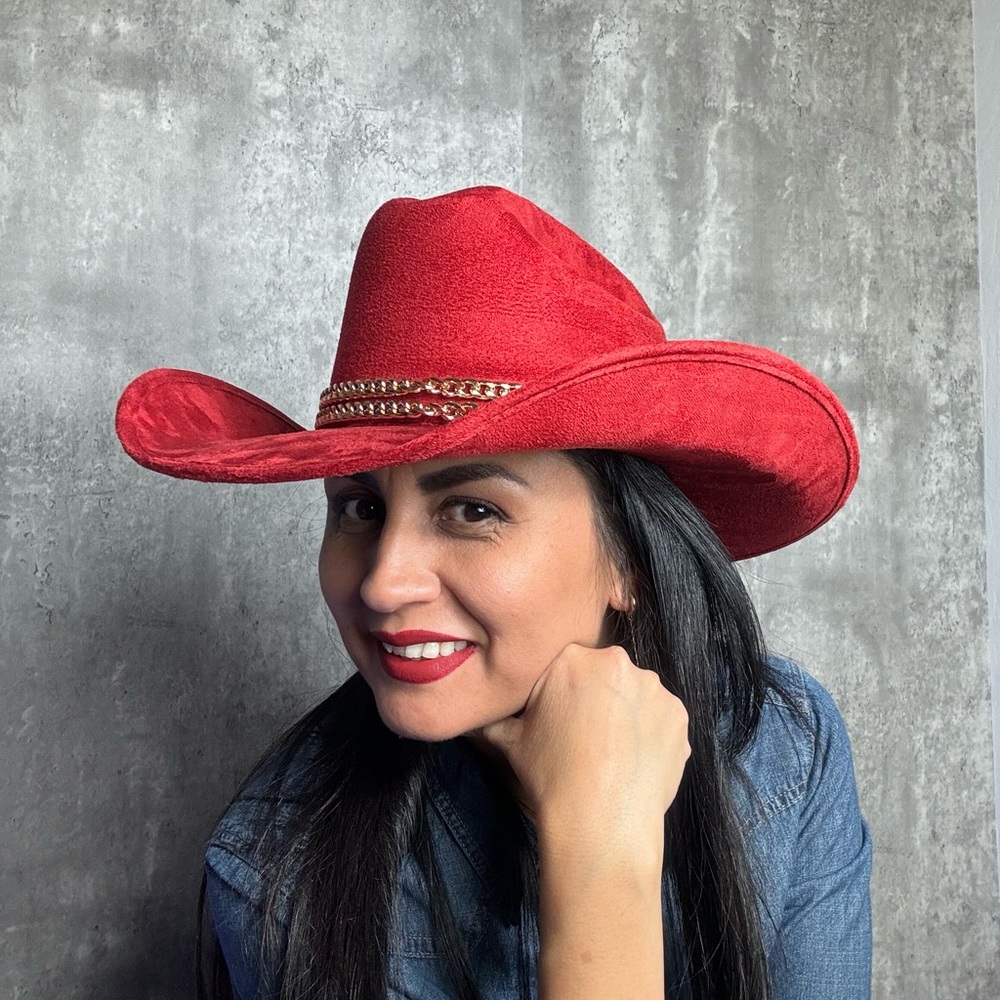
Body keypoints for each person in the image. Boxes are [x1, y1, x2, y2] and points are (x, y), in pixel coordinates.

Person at [115, 185, 872, 1000]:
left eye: (472, 509)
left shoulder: (782, 745)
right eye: (360, 507)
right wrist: (598, 859)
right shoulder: (282, 871)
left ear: (632, 561)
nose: (382, 580)